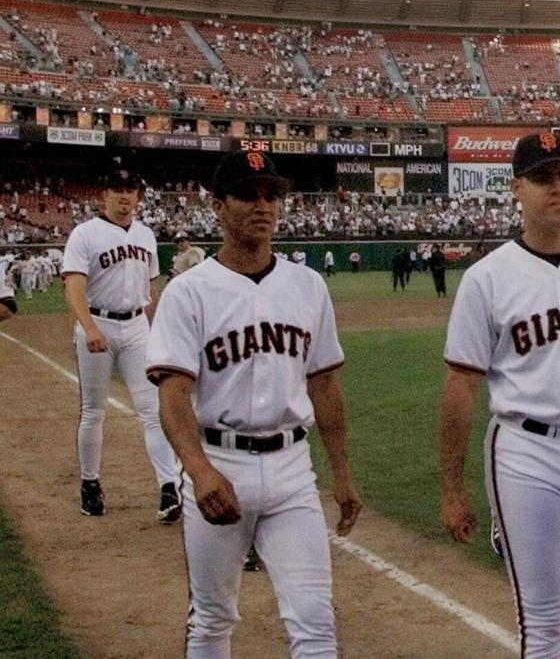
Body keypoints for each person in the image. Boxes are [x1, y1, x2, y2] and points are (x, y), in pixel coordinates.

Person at [146, 151, 362, 657]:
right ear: (219, 206)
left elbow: (325, 385)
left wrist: (342, 473)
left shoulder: (308, 286)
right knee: (213, 620)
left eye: (271, 194)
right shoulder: (189, 291)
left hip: (292, 470)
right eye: (248, 194)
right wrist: (199, 471)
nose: (262, 205)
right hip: (221, 462)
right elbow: (172, 393)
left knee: (315, 621)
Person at [438, 132, 560, 658]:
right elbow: (461, 386)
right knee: (543, 621)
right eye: (543, 177)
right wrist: (451, 488)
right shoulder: (487, 278)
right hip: (526, 453)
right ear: (516, 189)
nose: (557, 188)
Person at [63, 166, 180, 521]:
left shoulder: (145, 235)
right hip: (96, 323)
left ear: (138, 197)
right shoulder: (86, 234)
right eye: (117, 189)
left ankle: (168, 488)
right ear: (104, 195)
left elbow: (150, 289)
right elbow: (73, 285)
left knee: (152, 410)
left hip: (136, 327)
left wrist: (160, 328)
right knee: (94, 411)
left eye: (131, 190)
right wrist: (88, 327)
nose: (125, 195)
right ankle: (90, 483)